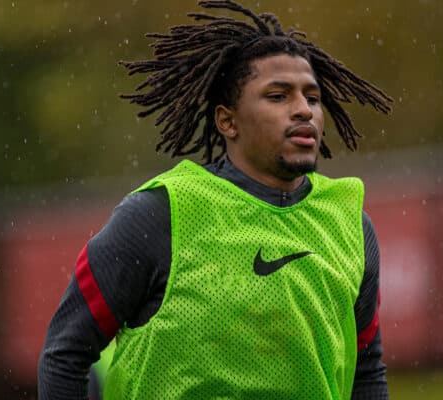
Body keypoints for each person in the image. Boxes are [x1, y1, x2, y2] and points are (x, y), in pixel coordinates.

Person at [38, 1, 392, 399]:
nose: (303, 111)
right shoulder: (158, 215)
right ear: (228, 121)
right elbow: (65, 353)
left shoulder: (351, 226)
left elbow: (365, 372)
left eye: (312, 98)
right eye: (278, 96)